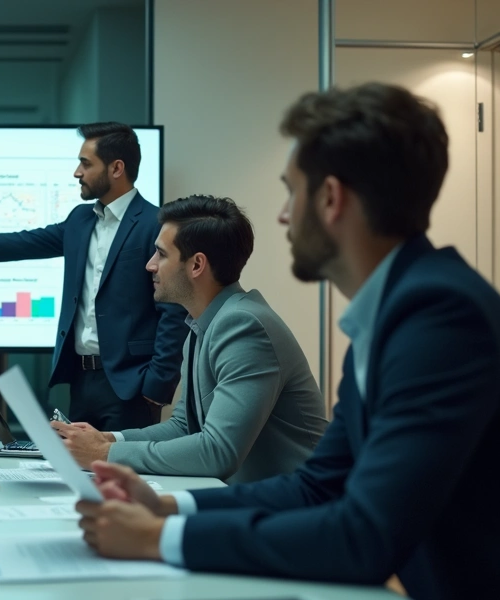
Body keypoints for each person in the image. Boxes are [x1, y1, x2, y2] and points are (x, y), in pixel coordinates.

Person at [75, 83, 500, 600]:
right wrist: (170, 511)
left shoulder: (440, 319)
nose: (283, 216)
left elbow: (365, 537)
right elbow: (319, 486)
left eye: (292, 193)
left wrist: (157, 540)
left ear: (330, 199)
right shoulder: (396, 311)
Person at [0, 122, 187, 431]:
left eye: (85, 164)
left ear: (117, 168)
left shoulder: (155, 224)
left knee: (119, 477)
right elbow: (25, 241)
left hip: (131, 387)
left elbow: (173, 311)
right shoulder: (80, 219)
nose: (77, 172)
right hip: (81, 382)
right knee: (79, 474)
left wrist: (156, 389)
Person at [54, 195, 326, 482]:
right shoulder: (206, 322)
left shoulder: (244, 326)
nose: (150, 265)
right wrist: (107, 439)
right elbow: (185, 426)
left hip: (296, 509)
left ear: (197, 265)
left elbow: (217, 452)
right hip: (253, 502)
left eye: (160, 254)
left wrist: (103, 455)